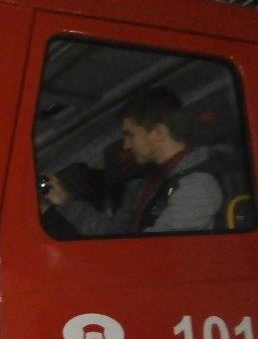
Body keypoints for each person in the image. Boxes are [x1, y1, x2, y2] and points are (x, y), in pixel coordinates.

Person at [41, 87, 223, 235]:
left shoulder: (198, 184)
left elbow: (154, 253)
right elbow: (113, 234)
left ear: (158, 133)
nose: (126, 145)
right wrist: (65, 202)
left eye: (130, 135)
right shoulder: (147, 186)